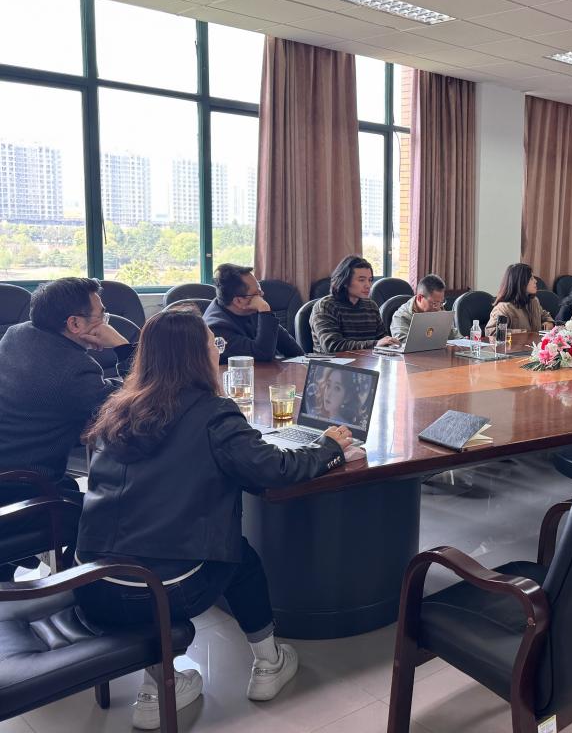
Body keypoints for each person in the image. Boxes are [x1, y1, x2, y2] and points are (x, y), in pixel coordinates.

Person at [74, 309, 362, 729]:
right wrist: (328, 447)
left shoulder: (119, 408)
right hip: (161, 593)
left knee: (149, 552)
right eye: (215, 344)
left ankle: (158, 686)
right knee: (241, 559)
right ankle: (269, 663)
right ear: (198, 355)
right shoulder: (213, 413)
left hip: (91, 584)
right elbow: (275, 470)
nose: (218, 351)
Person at [0, 277, 135, 581]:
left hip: (9, 470)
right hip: (20, 489)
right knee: (108, 516)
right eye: (102, 314)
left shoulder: (17, 334)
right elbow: (135, 400)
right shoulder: (72, 371)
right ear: (75, 323)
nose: (106, 320)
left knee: (75, 491)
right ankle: (78, 587)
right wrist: (121, 345)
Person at [204, 263, 303, 362]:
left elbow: (295, 352)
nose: (262, 294)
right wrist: (264, 310)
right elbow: (262, 355)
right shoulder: (216, 329)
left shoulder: (250, 310)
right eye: (257, 293)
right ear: (238, 301)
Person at [310, 256, 399, 352]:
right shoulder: (326, 306)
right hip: (333, 361)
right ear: (345, 282)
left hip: (367, 360)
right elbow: (332, 346)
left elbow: (382, 339)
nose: (368, 285)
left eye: (370, 280)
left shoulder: (371, 306)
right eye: (361, 280)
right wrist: (375, 344)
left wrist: (391, 343)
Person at [485, 263, 554, 336]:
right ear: (520, 282)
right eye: (531, 278)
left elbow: (544, 314)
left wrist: (549, 322)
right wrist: (522, 333)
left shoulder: (533, 301)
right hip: (515, 344)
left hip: (534, 343)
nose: (535, 281)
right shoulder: (503, 308)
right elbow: (491, 332)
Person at [390, 274, 461, 342]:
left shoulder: (438, 308)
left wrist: (463, 340)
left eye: (441, 302)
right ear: (419, 298)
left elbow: (452, 334)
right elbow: (402, 343)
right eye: (434, 303)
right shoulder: (401, 316)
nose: (438, 308)